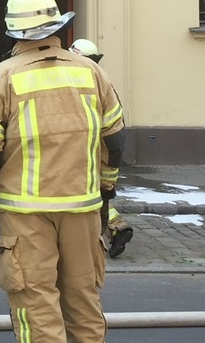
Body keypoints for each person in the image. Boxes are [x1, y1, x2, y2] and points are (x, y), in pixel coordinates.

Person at [0, 0, 125, 343]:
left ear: (13, 32)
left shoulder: (2, 77)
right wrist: (105, 191)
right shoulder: (93, 73)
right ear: (58, 27)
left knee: (37, 307)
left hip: (27, 213)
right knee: (84, 304)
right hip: (82, 208)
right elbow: (115, 141)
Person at [69, 38, 133, 259]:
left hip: (81, 152)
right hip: (102, 151)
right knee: (99, 194)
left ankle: (94, 238)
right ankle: (117, 227)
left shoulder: (73, 83)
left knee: (88, 198)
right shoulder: (103, 82)